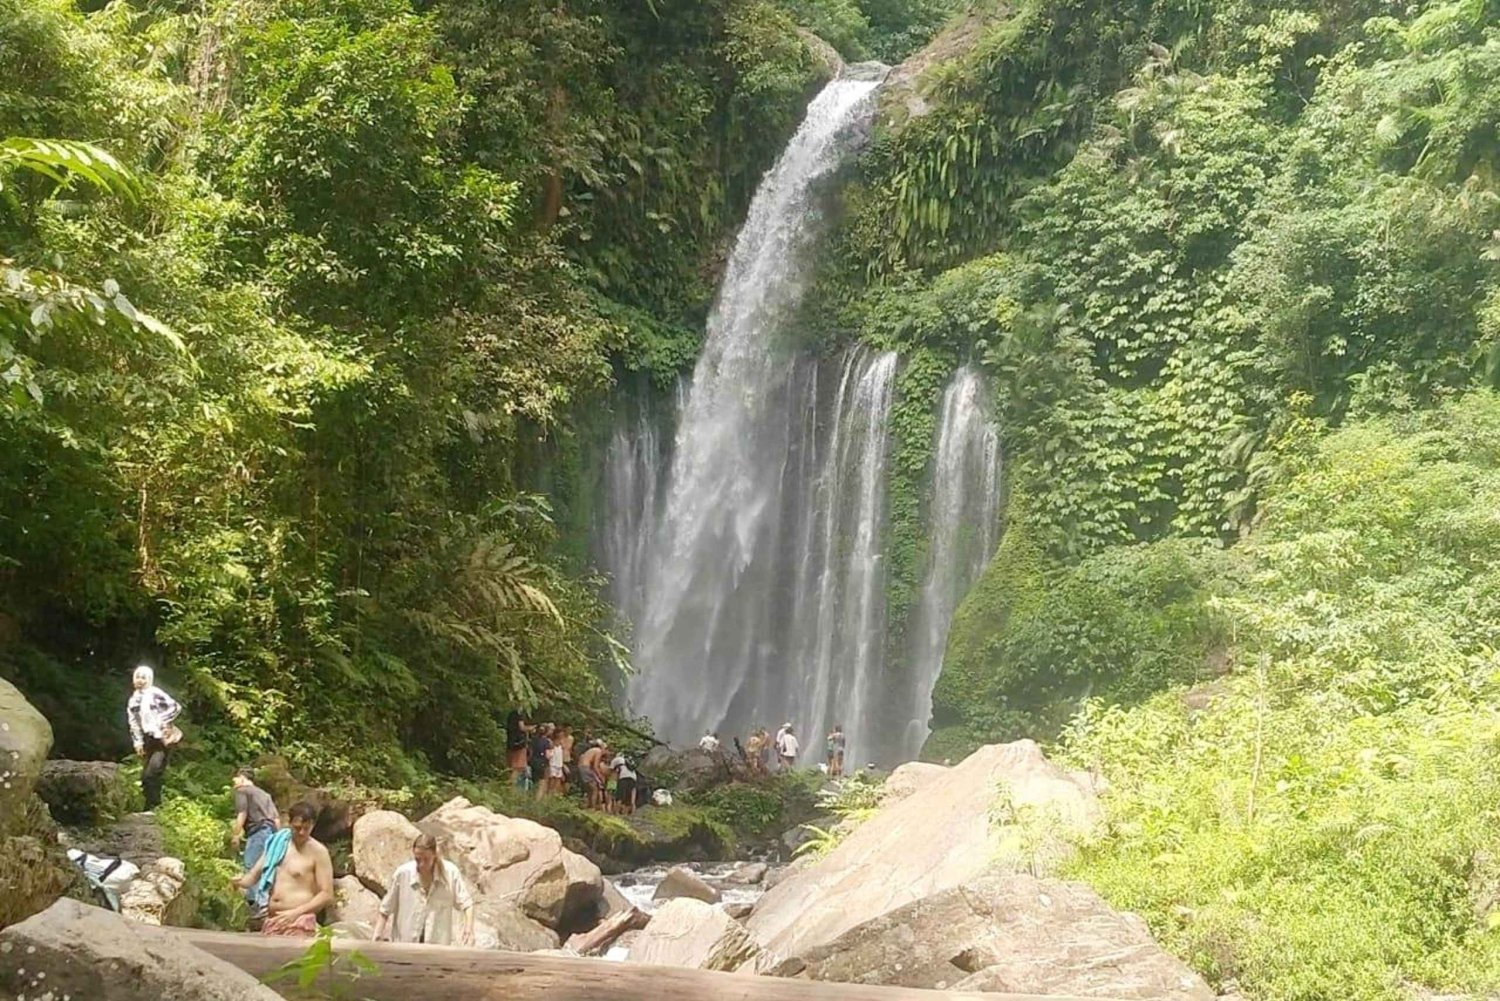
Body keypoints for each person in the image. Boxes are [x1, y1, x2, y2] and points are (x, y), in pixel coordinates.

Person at [232, 801, 333, 936]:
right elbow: (252, 877)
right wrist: (237, 882)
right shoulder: (277, 845)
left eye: (306, 828)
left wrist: (295, 913)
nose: (302, 832)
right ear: (289, 823)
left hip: (299, 920)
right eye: (297, 828)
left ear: (313, 825)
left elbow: (326, 894)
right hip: (273, 920)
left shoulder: (319, 852)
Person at [373, 834, 475, 946]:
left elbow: (467, 904)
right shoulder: (402, 874)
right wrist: (377, 935)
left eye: (426, 859)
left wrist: (468, 928)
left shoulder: (450, 873)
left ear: (434, 855)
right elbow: (385, 909)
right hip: (405, 947)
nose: (421, 864)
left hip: (437, 948)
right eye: (418, 859)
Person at [126, 665, 181, 811]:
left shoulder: (154, 693)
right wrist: (138, 742)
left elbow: (175, 707)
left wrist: (162, 721)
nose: (140, 680)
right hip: (148, 739)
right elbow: (134, 723)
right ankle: (150, 806)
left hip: (162, 738)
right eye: (137, 677)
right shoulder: (133, 700)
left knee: (152, 773)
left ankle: (154, 807)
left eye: (144, 678)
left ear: (149, 679)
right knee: (146, 775)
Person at [229, 767, 280, 904]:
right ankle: (265, 902)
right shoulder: (265, 795)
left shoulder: (242, 791)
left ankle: (256, 903)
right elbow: (276, 819)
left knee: (252, 866)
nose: (233, 781)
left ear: (242, 778)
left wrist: (235, 835)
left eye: (235, 778)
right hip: (271, 832)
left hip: (258, 832)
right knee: (266, 868)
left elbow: (242, 813)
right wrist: (278, 840)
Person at [505, 710, 531, 789]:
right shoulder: (519, 714)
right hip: (519, 745)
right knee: (518, 767)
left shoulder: (510, 715)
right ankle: (511, 787)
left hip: (510, 744)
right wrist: (531, 728)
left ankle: (507, 785)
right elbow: (522, 727)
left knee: (510, 767)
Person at [578, 740, 607, 810]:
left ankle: (588, 805)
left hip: (581, 767)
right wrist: (600, 776)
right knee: (595, 789)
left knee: (590, 788)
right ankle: (592, 807)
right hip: (586, 767)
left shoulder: (592, 750)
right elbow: (595, 766)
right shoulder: (598, 751)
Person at [610, 750, 638, 816]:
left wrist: (611, 784)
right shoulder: (630, 761)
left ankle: (616, 813)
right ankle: (626, 814)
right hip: (633, 778)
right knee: (628, 798)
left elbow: (611, 771)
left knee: (620, 796)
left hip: (624, 778)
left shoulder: (616, 759)